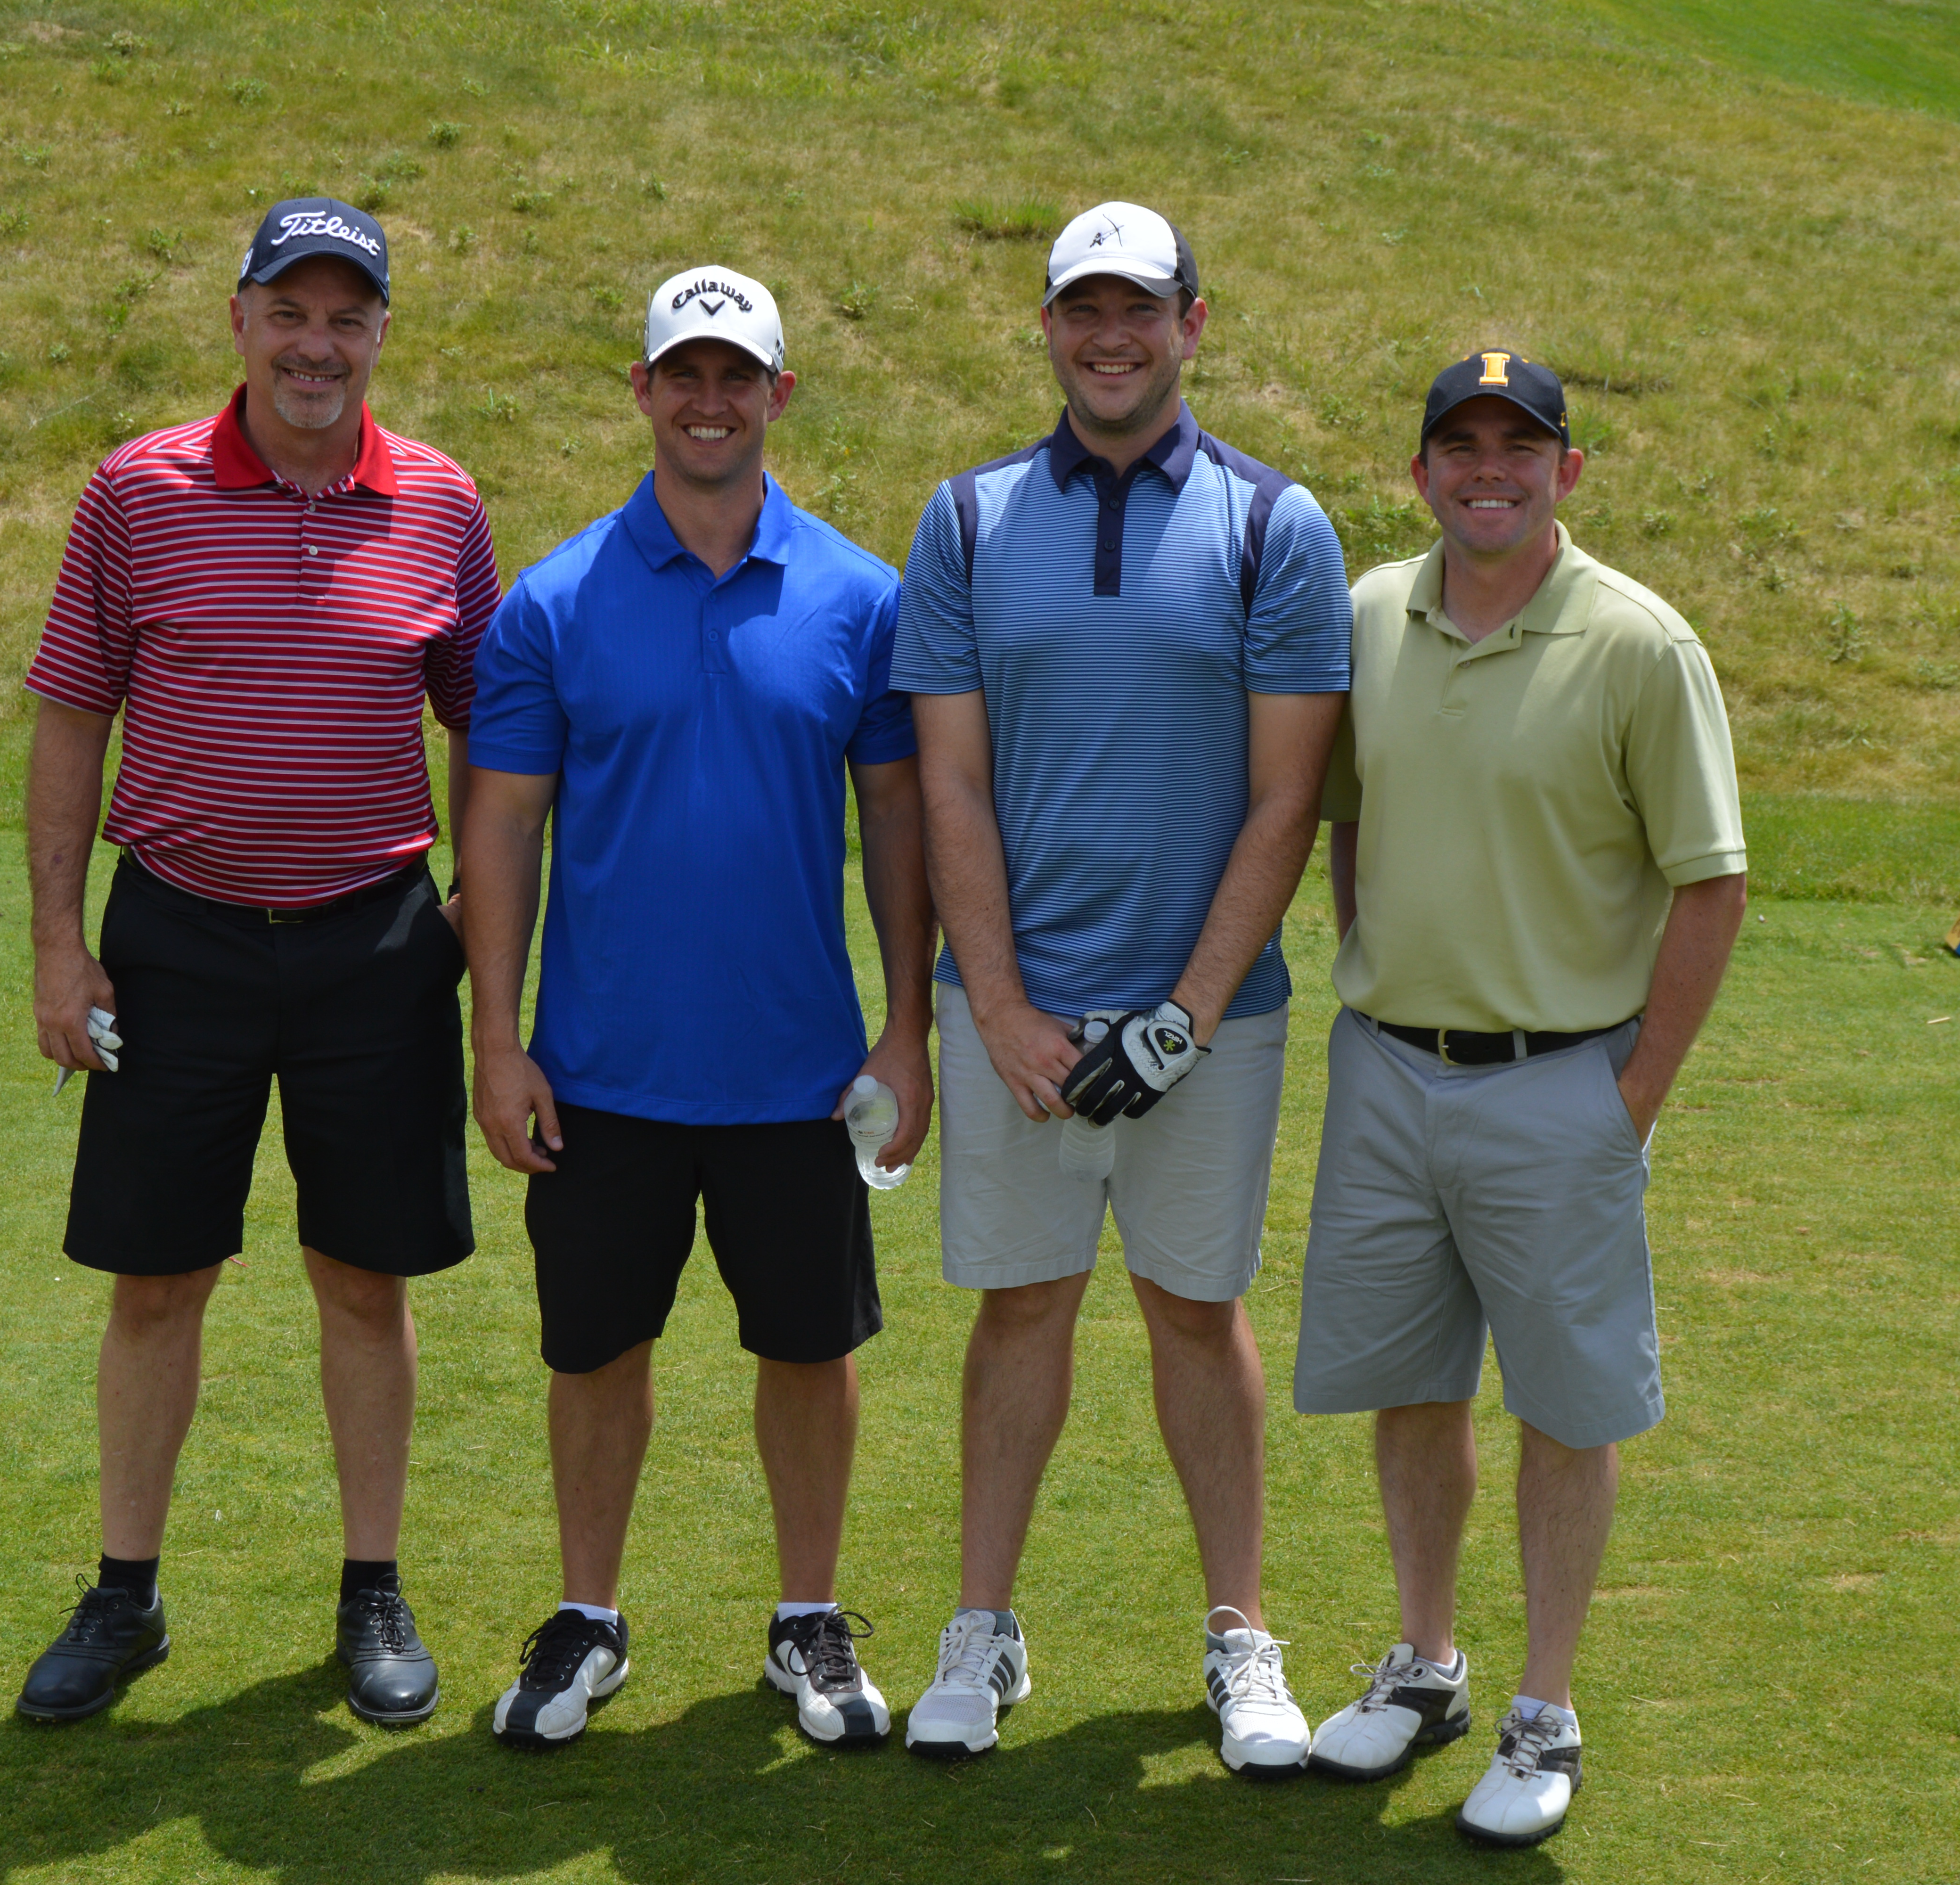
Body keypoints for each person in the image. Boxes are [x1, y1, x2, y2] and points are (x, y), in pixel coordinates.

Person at [14, 199, 499, 1727]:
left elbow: (489, 719)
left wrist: (484, 901)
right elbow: (73, 713)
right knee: (158, 1280)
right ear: (241, 323)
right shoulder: (138, 491)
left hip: (375, 940)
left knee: (365, 1279)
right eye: (290, 313)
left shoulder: (439, 503)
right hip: (178, 942)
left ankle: (372, 1592)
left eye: (347, 317)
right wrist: (55, 943)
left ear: (379, 337)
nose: (317, 345)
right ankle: (126, 1593)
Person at [891, 202, 1352, 1776]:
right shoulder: (961, 519)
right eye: (1082, 308)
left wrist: (1186, 1010)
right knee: (1022, 1310)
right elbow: (950, 785)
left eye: (1139, 309)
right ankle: (984, 1626)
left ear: (1193, 324)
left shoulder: (1275, 524)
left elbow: (1288, 795)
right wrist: (1006, 1009)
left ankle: (1241, 1636)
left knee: (1195, 1309)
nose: (1110, 336)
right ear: (1048, 326)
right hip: (1010, 1004)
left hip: (1208, 1018)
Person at [457, 266, 934, 1754]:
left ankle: (808, 1616)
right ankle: (589, 1619)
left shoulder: (860, 597)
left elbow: (904, 835)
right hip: (603, 1070)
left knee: (810, 1349)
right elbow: (501, 828)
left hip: (798, 1073)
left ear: (781, 393)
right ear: (644, 392)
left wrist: (907, 1030)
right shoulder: (554, 600)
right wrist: (498, 1039)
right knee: (594, 1352)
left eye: (739, 375)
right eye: (685, 373)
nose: (710, 399)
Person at [1294, 351, 1746, 1844]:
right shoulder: (1369, 614)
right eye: (1460, 445)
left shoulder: (1638, 643)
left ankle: (1542, 1708)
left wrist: (1634, 1095)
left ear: (1567, 471)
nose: (1489, 469)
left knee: (1565, 1404)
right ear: (1421, 472)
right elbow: (1352, 829)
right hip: (1387, 1074)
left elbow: (1710, 882)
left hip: (1563, 1083)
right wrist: (1387, 973)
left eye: (1521, 446)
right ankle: (1426, 1663)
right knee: (1414, 1385)